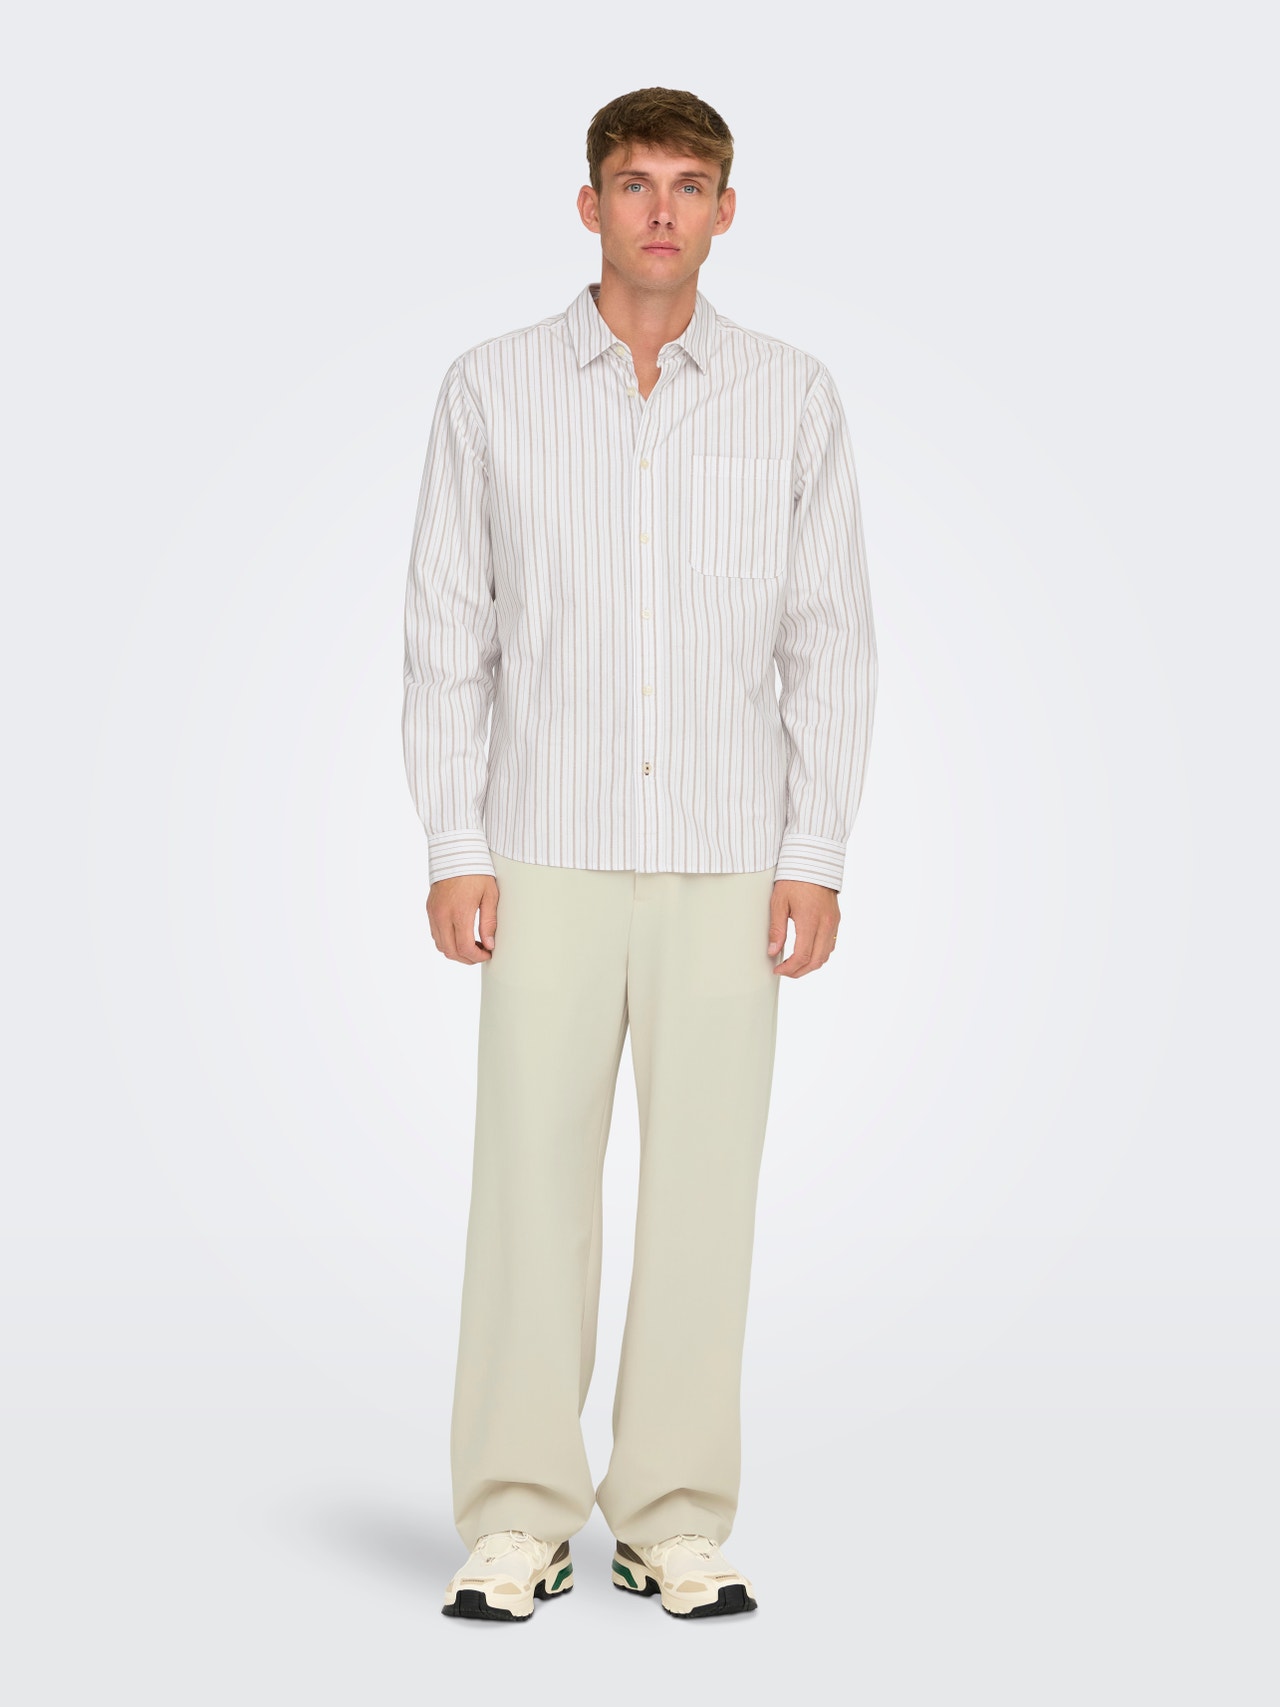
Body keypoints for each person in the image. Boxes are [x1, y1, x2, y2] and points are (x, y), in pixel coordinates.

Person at [401, 86, 878, 1622]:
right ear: (589, 204)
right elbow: (448, 632)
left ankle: (670, 1515)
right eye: (633, 183)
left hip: (732, 859)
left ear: (727, 210)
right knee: (527, 1186)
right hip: (543, 848)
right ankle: (515, 1514)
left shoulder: (792, 396)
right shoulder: (490, 389)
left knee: (704, 1195)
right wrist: (455, 839)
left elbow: (830, 637)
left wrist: (814, 849)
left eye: (688, 184)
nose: (660, 210)